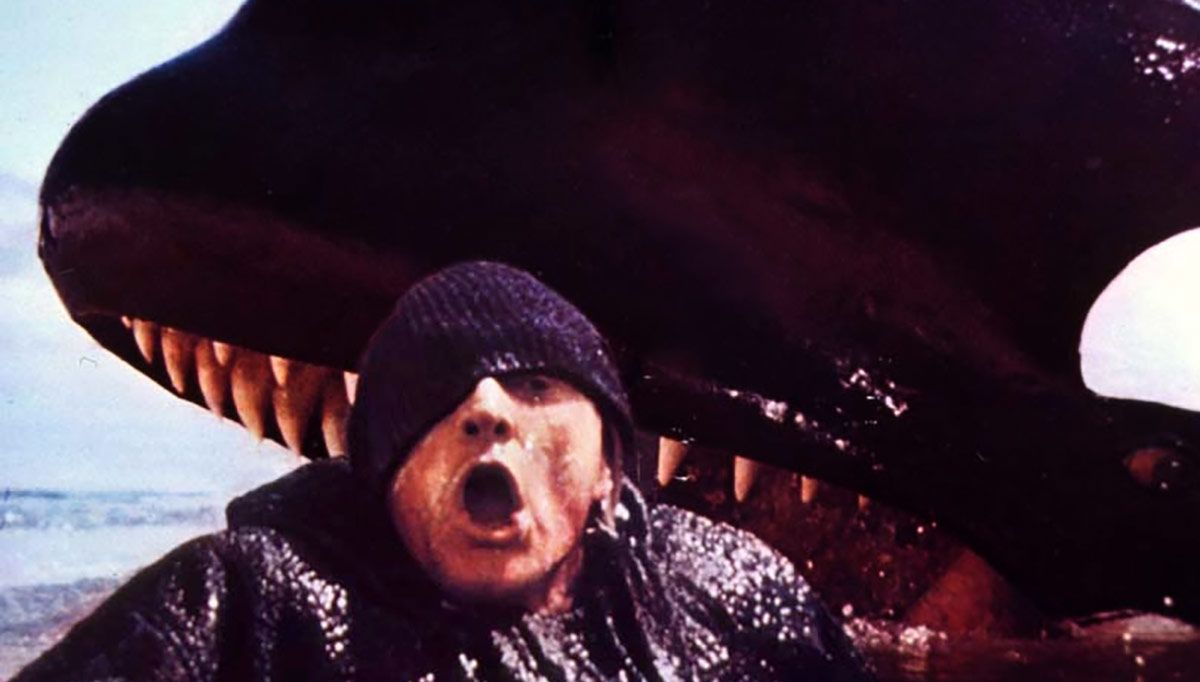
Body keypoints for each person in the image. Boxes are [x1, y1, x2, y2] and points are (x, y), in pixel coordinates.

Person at [16, 261, 873, 681]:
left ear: (612, 469)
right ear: (382, 480)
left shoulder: (729, 590)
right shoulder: (248, 604)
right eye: (436, 393)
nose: (487, 407)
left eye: (536, 384)